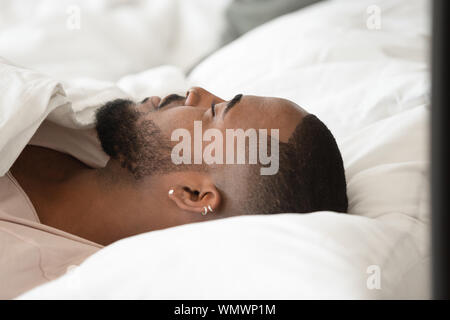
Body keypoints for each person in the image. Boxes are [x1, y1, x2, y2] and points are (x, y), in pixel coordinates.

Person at [9, 87, 348, 246]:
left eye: (213, 113)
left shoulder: (23, 269)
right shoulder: (97, 113)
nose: (196, 92)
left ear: (193, 194)